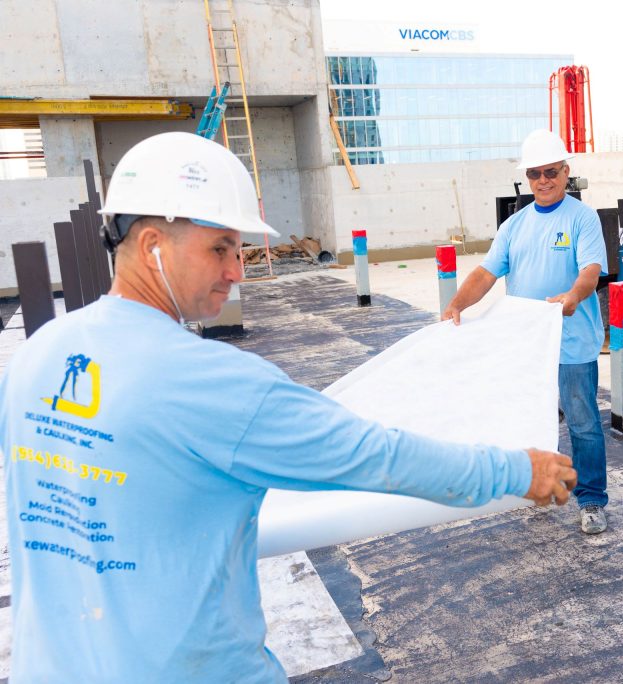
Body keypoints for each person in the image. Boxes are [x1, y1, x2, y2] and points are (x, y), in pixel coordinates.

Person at [0, 132, 577, 683]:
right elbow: (379, 457)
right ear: (152, 246)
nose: (236, 269)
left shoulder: (36, 358)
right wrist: (517, 470)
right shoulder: (210, 383)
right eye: (220, 248)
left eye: (239, 248)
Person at [442, 129, 609, 535]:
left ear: (566, 171)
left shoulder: (582, 218)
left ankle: (590, 500)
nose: (543, 180)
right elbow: (485, 273)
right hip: (527, 345)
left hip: (572, 344)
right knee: (529, 418)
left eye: (551, 171)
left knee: (583, 422)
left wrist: (572, 297)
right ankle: (537, 485)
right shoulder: (515, 225)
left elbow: (590, 272)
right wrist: (457, 304)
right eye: (535, 173)